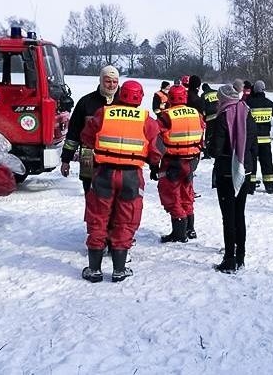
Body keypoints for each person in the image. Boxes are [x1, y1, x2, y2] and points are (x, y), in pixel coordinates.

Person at [79, 80, 161, 283]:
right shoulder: (146, 119)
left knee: (98, 218)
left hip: (104, 173)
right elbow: (157, 150)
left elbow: (86, 137)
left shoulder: (103, 113)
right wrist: (152, 163)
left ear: (121, 94)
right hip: (132, 176)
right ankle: (119, 269)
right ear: (140, 97)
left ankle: (94, 270)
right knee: (125, 220)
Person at [207, 84, 258, 273]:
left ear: (223, 99)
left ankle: (229, 259)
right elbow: (254, 144)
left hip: (227, 170)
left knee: (228, 216)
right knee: (240, 214)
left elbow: (216, 149)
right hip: (244, 169)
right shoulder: (247, 112)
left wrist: (209, 148)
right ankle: (241, 256)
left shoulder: (223, 116)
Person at [155, 84, 204, 242]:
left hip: (173, 161)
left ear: (170, 98)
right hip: (192, 161)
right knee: (187, 192)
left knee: (171, 194)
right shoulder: (196, 114)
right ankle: (190, 229)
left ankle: (179, 232)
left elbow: (157, 140)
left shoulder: (166, 116)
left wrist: (154, 162)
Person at [60, 65, 119, 195]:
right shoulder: (86, 102)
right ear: (101, 80)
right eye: (108, 81)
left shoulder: (124, 103)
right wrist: (66, 160)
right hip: (89, 157)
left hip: (115, 160)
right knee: (91, 196)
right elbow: (73, 134)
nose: (112, 85)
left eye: (115, 81)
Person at [246, 80, 273, 194]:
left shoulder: (249, 103)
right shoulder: (269, 103)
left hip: (252, 140)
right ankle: (269, 186)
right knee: (267, 163)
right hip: (265, 140)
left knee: (251, 162)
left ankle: (251, 186)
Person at [201, 82, 219, 159]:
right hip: (219, 115)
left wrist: (203, 118)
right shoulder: (216, 92)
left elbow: (203, 108)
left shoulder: (203, 95)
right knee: (218, 134)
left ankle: (207, 153)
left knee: (208, 135)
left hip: (210, 117)